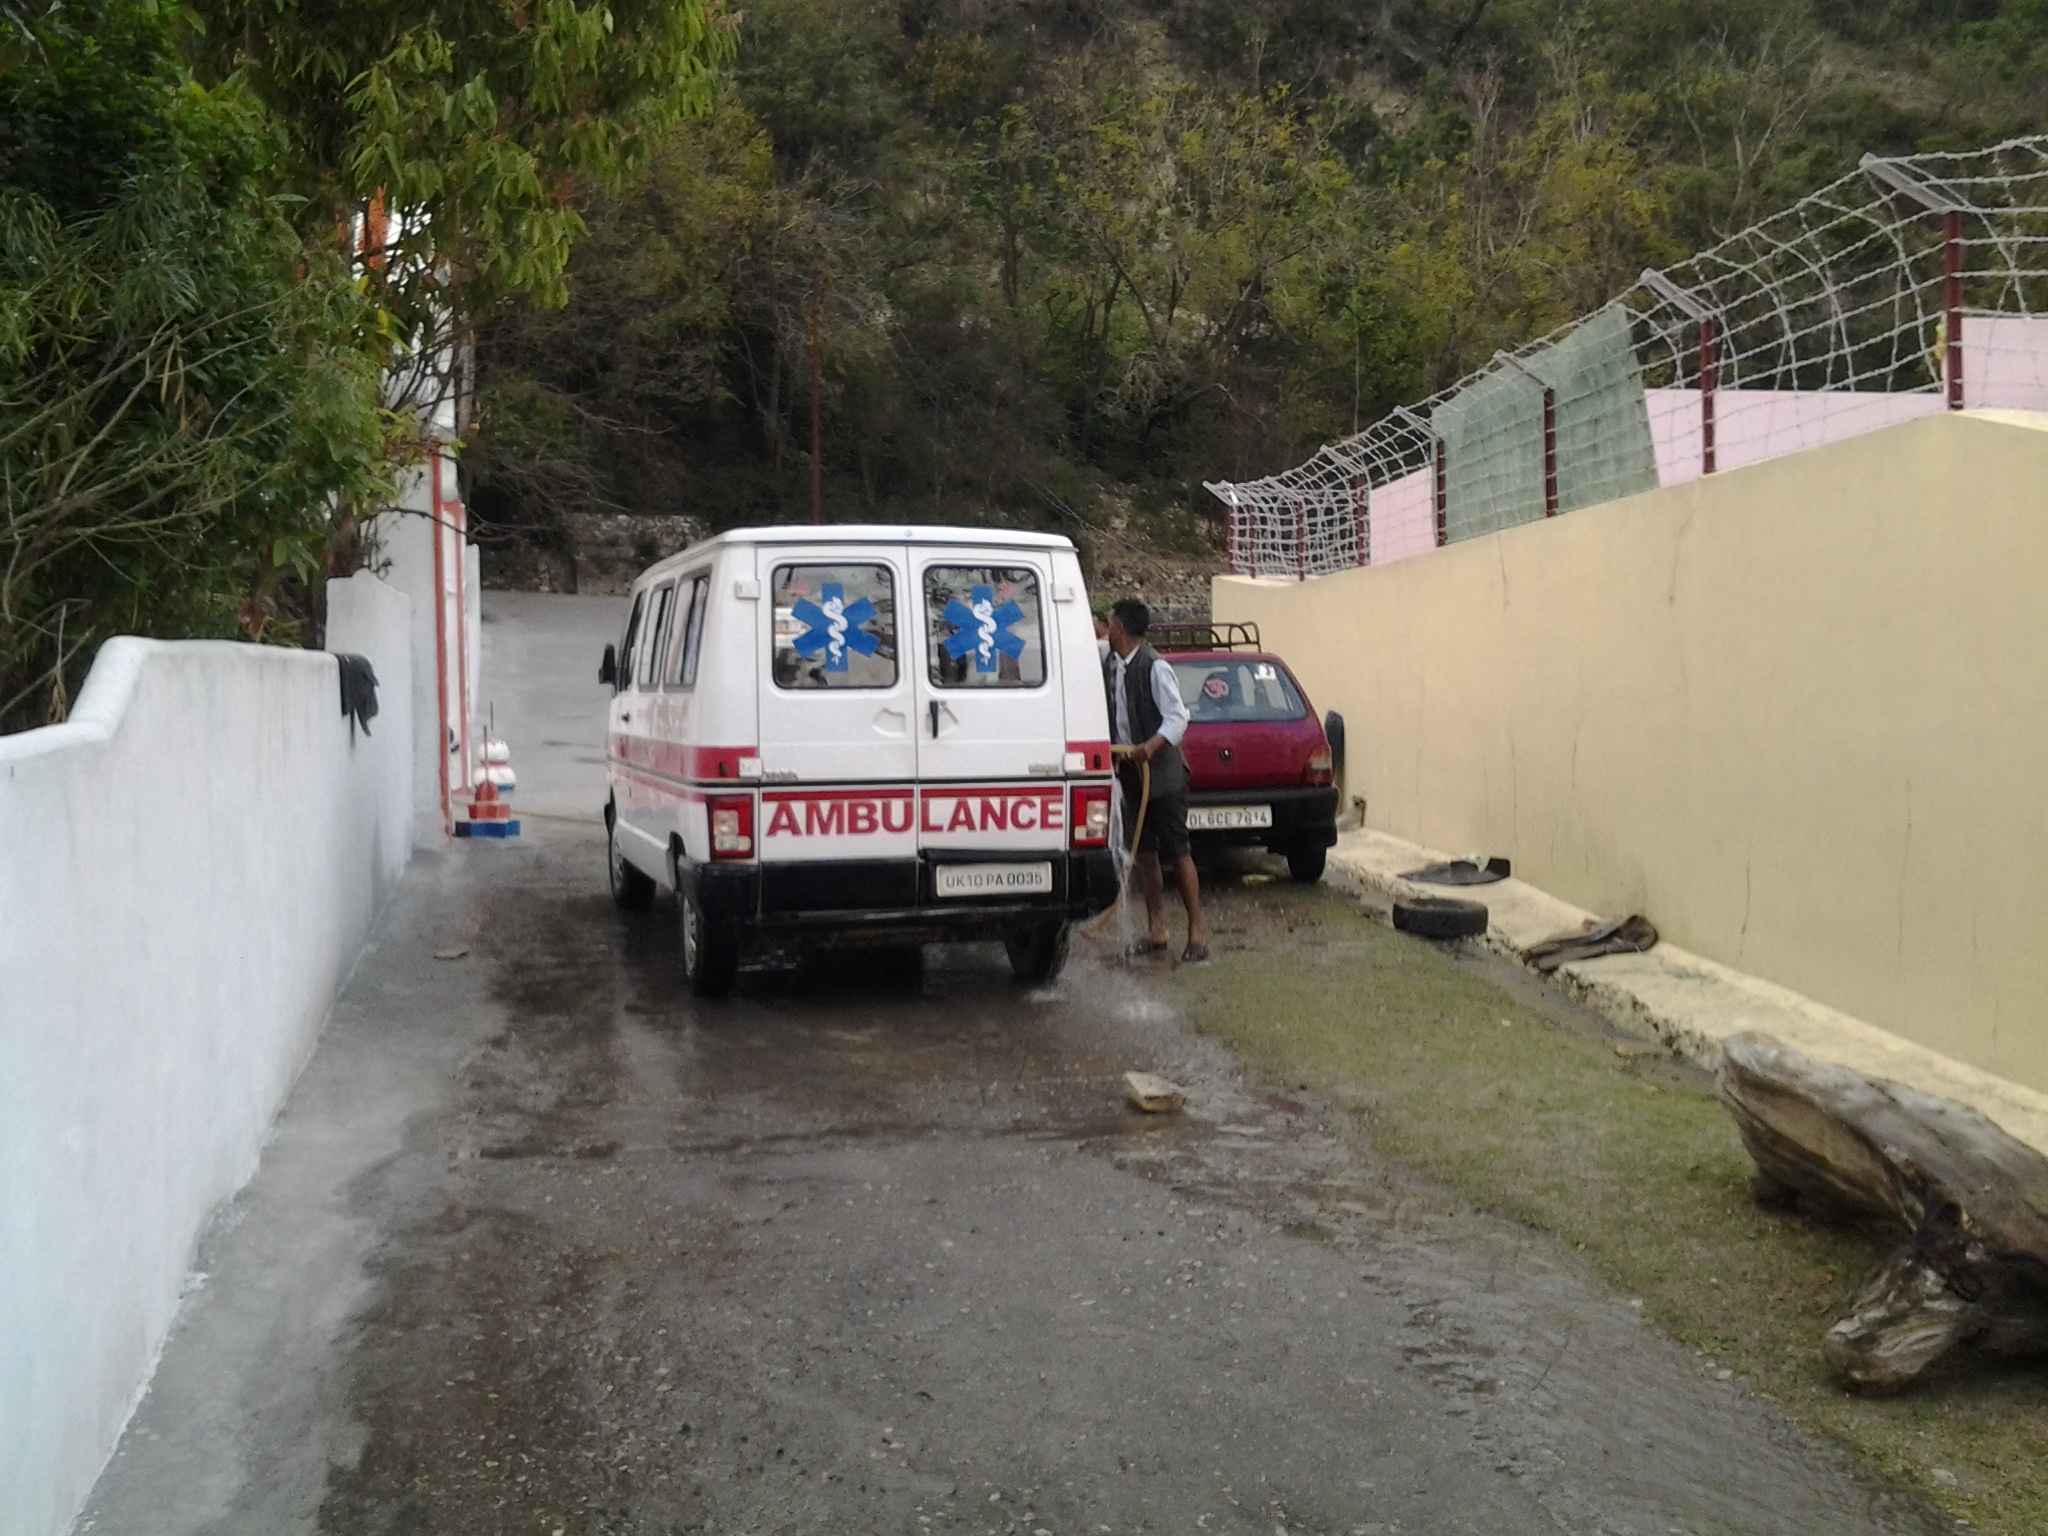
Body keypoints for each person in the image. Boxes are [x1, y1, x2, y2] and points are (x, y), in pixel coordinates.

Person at [1103, 598, 1209, 963]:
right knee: (1145, 854)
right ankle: (1157, 930)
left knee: (1178, 852)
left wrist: (1150, 746)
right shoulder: (1111, 664)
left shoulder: (1155, 666)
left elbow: (1178, 717)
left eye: (1109, 623)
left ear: (1121, 628)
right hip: (1131, 775)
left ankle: (1197, 933)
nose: (1107, 629)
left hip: (1161, 776)